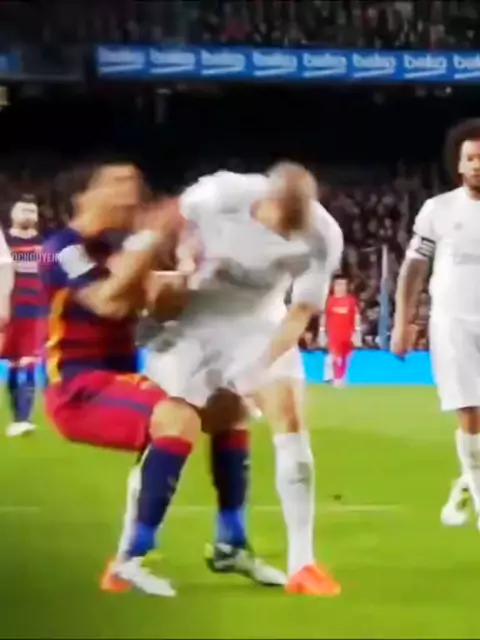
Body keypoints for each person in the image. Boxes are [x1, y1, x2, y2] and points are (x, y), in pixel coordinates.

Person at [141, 164, 343, 596]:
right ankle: (132, 552)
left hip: (260, 320)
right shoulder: (223, 192)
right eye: (281, 222)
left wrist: (261, 364)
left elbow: (301, 312)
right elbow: (174, 218)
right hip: (198, 317)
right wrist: (183, 261)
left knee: (290, 422)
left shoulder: (323, 234)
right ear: (265, 199)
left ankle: (302, 564)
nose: (287, 234)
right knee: (174, 428)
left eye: (296, 225)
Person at [39, 161, 203, 597]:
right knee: (175, 417)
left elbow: (162, 304)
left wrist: (188, 264)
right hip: (77, 390)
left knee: (198, 416)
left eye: (136, 184)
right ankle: (131, 558)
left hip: (116, 382)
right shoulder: (59, 249)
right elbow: (107, 302)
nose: (132, 193)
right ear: (86, 196)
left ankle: (130, 560)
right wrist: (150, 239)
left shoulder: (116, 250)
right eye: (119, 183)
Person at [392, 119, 480, 530]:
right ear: (459, 165)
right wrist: (402, 322)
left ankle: (465, 483)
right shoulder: (438, 210)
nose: (477, 164)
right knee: (470, 415)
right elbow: (414, 269)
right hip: (454, 324)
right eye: (471, 158)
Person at [2, 197, 44, 437]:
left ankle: (23, 419)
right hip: (10, 310)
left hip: (35, 311)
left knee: (29, 362)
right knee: (13, 363)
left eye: (32, 210)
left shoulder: (43, 244)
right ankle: (17, 418)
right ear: (13, 214)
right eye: (23, 210)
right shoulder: (5, 243)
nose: (28, 214)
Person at [323, 276, 360, 387]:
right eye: (338, 284)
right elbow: (324, 316)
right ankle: (335, 378)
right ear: (334, 286)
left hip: (347, 334)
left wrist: (357, 332)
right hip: (333, 334)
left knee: (345, 357)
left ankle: (340, 378)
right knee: (334, 356)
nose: (341, 287)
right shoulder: (329, 301)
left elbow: (356, 316)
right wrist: (322, 331)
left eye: (343, 284)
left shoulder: (351, 301)